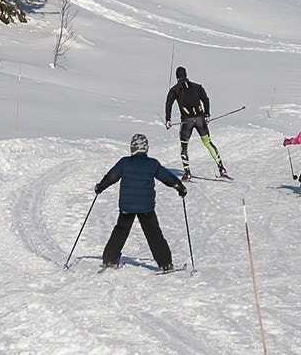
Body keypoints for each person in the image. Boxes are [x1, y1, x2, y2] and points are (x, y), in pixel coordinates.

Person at [94, 132, 186, 271]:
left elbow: (112, 177)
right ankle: (165, 263)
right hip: (146, 208)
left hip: (127, 206)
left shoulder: (124, 162)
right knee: (153, 233)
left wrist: (100, 187)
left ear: (132, 148)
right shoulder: (152, 164)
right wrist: (179, 187)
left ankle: (110, 259)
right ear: (146, 149)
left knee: (120, 231)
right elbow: (167, 177)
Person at [164, 65, 229, 180]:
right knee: (208, 143)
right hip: (200, 120)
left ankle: (187, 172)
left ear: (177, 77)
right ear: (186, 75)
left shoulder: (175, 89)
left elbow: (168, 104)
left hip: (186, 122)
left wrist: (168, 120)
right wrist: (207, 114)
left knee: (184, 146)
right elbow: (206, 99)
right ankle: (221, 168)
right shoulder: (197, 86)